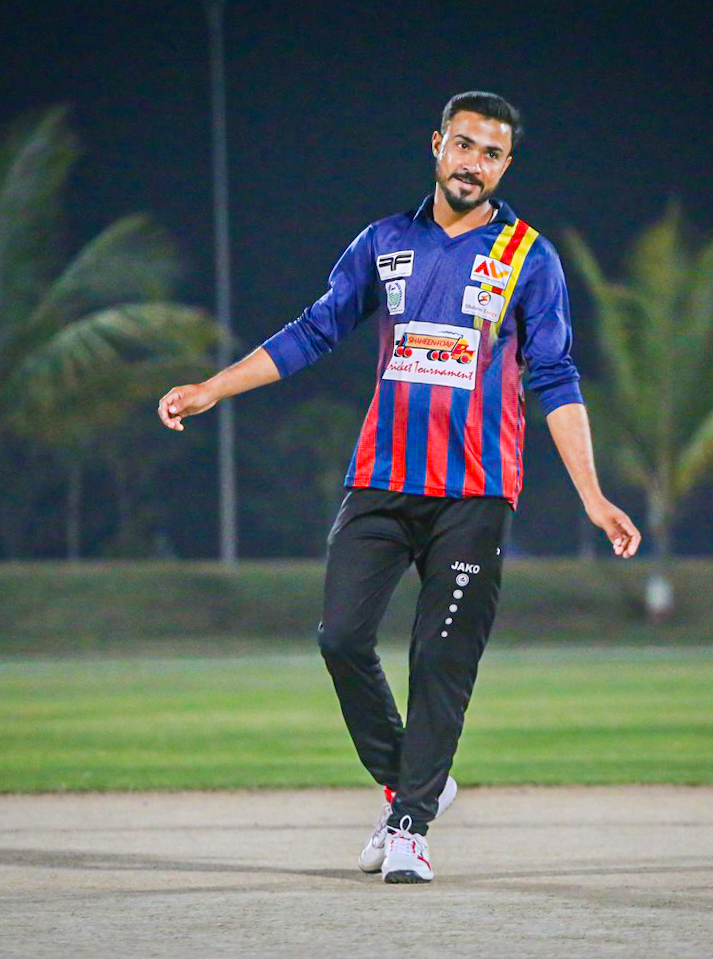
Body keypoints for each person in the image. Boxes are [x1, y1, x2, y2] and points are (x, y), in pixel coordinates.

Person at [157, 91, 641, 884]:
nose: (474, 163)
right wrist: (214, 387)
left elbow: (554, 376)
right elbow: (315, 328)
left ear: (506, 166)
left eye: (492, 153)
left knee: (440, 656)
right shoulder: (385, 242)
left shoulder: (530, 256)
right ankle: (413, 784)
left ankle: (411, 826)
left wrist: (593, 495)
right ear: (437, 144)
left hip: (476, 492)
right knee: (340, 638)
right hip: (380, 481)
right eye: (464, 145)